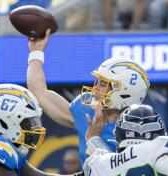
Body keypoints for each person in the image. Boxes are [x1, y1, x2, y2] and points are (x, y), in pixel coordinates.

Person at [27, 29, 150, 165]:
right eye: (97, 82)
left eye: (103, 84)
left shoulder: (138, 132)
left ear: (125, 93)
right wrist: (36, 52)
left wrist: (94, 137)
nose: (95, 89)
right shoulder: (86, 110)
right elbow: (38, 91)